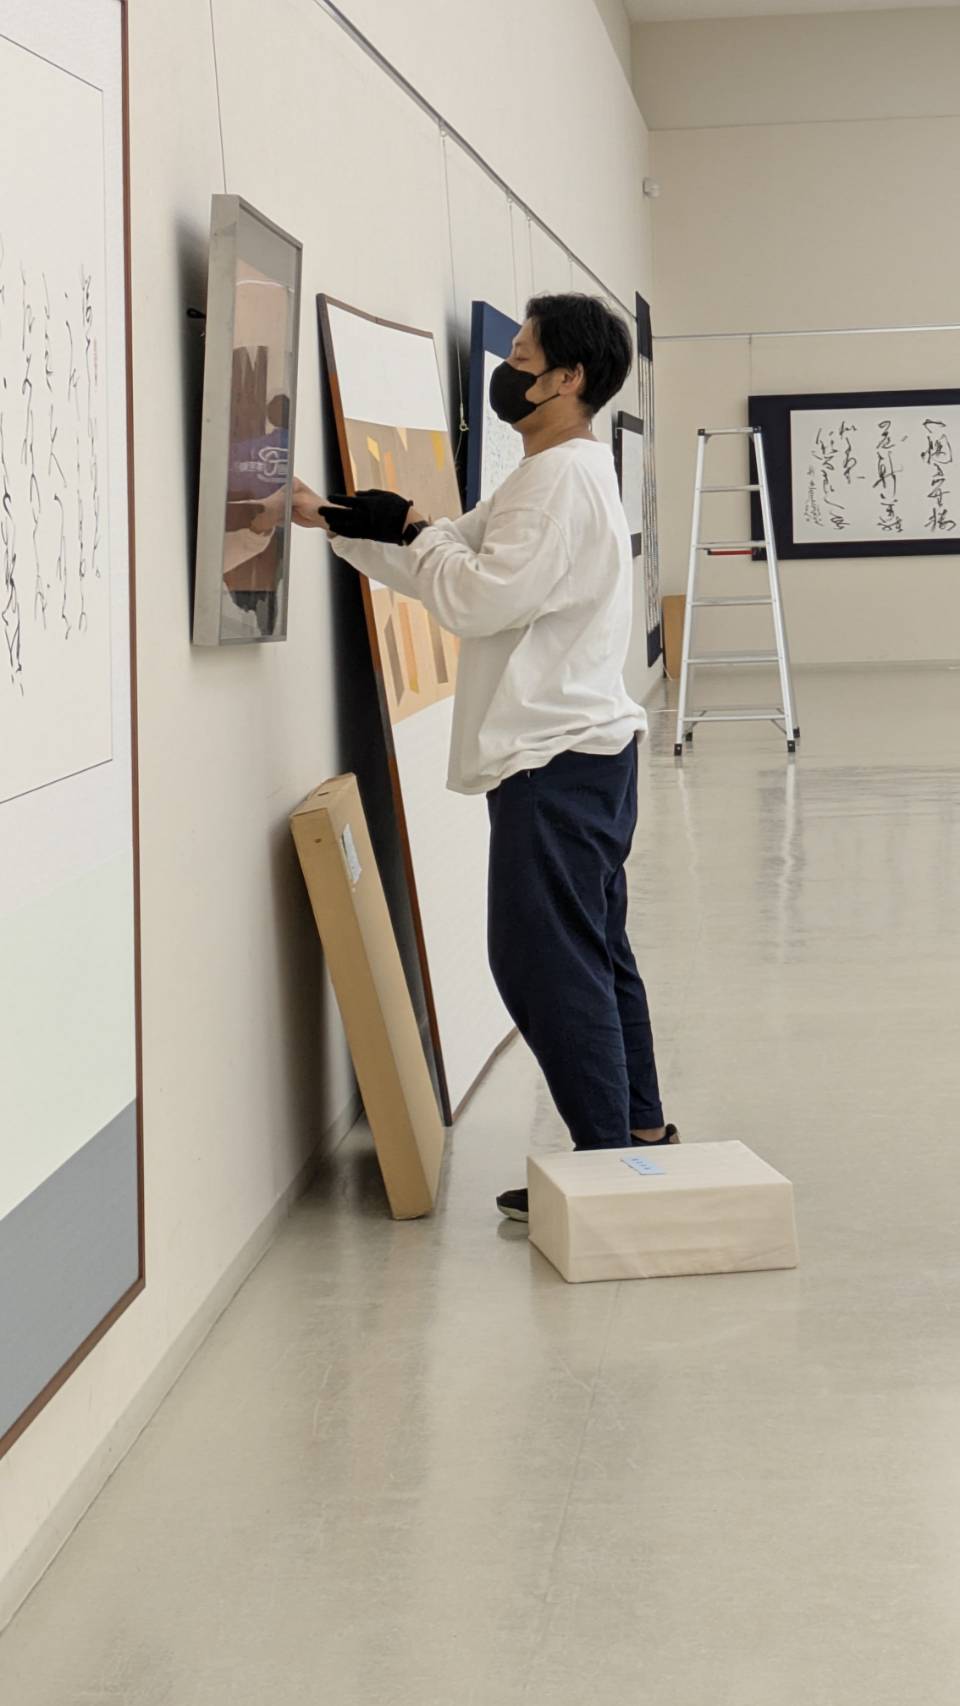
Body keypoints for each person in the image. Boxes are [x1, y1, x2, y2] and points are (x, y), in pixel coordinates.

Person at [293, 294, 676, 1224]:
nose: (509, 371)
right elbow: (455, 551)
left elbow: (472, 597)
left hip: (556, 762)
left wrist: (412, 533)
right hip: (586, 754)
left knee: (543, 964)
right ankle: (637, 1136)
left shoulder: (557, 482)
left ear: (567, 379)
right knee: (593, 950)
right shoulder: (557, 472)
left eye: (524, 357)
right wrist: (337, 519)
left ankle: (606, 1166)